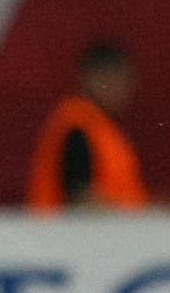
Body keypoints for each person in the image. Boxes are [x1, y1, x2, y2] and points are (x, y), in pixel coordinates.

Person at [26, 39, 150, 212]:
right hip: (69, 228)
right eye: (114, 80)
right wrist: (139, 215)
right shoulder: (77, 125)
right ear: (90, 78)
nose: (123, 90)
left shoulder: (101, 126)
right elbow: (81, 198)